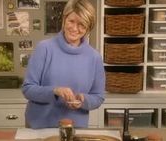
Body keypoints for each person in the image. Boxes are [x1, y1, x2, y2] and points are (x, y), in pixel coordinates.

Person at [22, 0, 105, 129]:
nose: (75, 28)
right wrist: (55, 91)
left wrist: (84, 100)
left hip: (75, 128)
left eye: (82, 25)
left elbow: (98, 97)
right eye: (71, 21)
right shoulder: (44, 48)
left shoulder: (94, 57)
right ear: (64, 19)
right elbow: (28, 89)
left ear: (89, 28)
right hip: (39, 127)